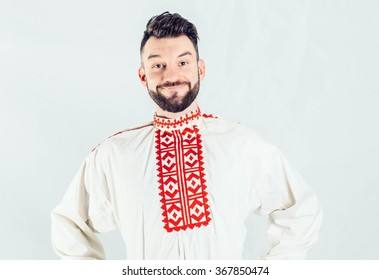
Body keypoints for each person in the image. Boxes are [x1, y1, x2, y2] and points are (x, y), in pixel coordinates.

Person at [51, 11, 322, 260]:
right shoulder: (114, 155)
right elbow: (69, 224)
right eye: (158, 65)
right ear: (142, 75)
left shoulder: (242, 144)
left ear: (200, 69)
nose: (172, 75)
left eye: (183, 62)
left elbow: (300, 210)